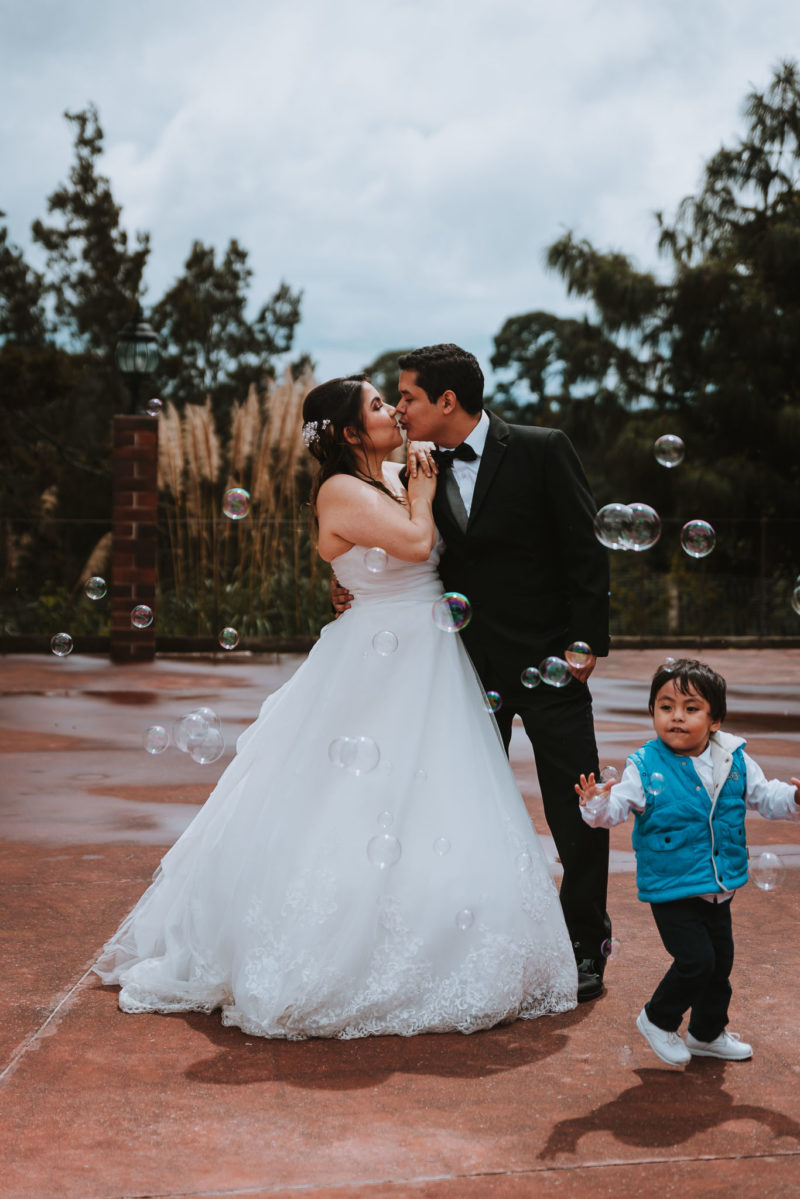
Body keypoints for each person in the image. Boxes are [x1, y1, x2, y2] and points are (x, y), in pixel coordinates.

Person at [93, 374, 578, 1039]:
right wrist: (423, 490)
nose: (394, 411)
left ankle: (439, 930)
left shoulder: (382, 479)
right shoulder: (344, 487)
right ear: (351, 433)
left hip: (429, 654)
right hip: (382, 661)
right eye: (380, 405)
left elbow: (409, 552)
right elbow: (411, 545)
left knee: (432, 801)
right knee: (360, 802)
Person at [334, 344, 611, 1001]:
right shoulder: (410, 471)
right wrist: (346, 587)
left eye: (408, 397)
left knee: (576, 809)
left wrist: (585, 639)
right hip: (457, 671)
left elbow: (585, 547)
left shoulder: (543, 449)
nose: (399, 410)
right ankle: (470, 938)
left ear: (447, 401)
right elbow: (378, 539)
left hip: (548, 662)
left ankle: (584, 943)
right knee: (457, 811)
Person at [577, 658, 800, 1066]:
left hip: (720, 885)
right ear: (653, 713)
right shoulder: (644, 767)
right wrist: (595, 804)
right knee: (696, 961)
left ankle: (706, 1033)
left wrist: (795, 799)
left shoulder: (735, 758)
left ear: (715, 720)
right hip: (672, 886)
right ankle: (658, 1019)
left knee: (720, 966)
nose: (676, 717)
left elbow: (767, 798)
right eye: (665, 707)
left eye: (691, 708)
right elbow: (615, 811)